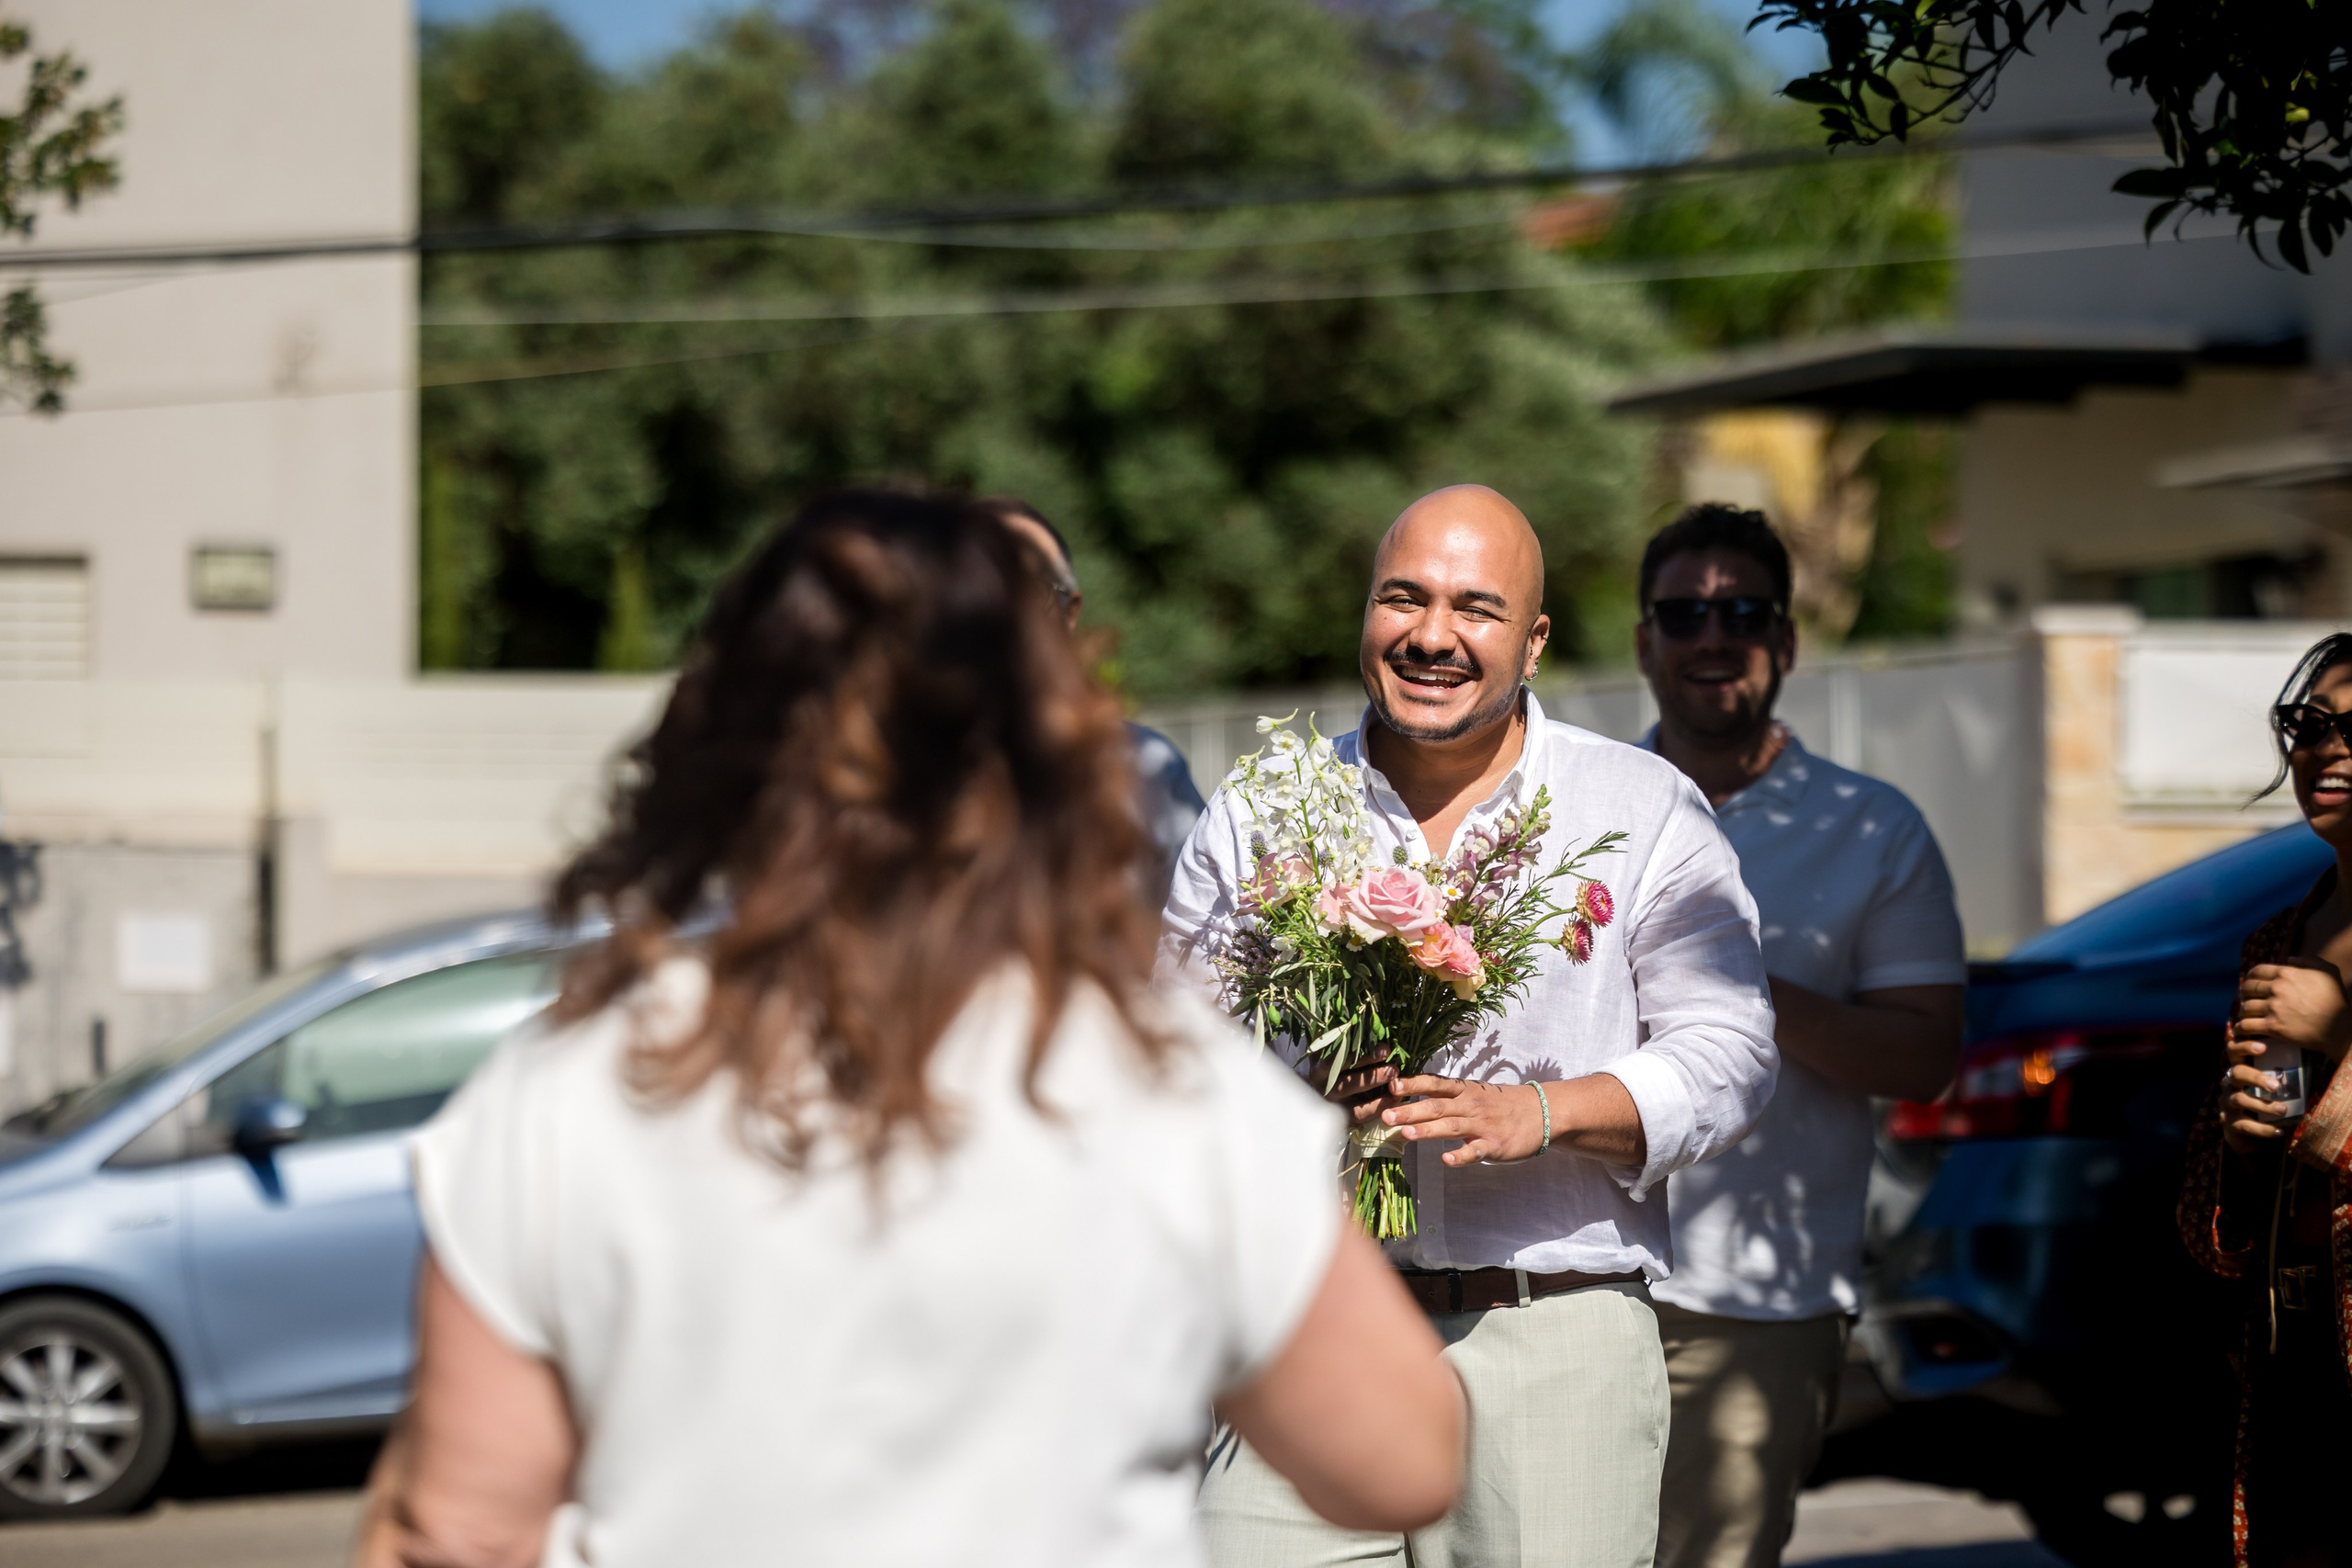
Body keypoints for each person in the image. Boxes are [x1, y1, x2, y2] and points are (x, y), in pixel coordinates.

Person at [354, 490, 1464, 1568]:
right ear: (1051, 752)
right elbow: (1400, 1461)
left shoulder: (575, 1084)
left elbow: (462, 1531)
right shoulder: (1164, 1086)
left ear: (725, 747)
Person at [1163, 483, 1779, 1568]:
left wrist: (1536, 1114)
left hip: (1551, 1341)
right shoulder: (1264, 808)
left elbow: (1730, 1055)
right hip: (1312, 1326)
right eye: (1403, 599)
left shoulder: (1636, 809)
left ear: (1533, 642)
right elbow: (1169, 1062)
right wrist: (1302, 1105)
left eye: (1475, 608)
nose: (1433, 636)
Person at [1630, 504, 1965, 1568]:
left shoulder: (1871, 826)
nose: (1711, 635)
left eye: (1742, 611)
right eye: (1684, 613)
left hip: (1755, 1302)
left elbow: (1922, 1057)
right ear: (1645, 640)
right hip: (1572, 1274)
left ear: (1785, 639)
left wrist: (1737, 995)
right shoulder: (1587, 807)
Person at [2181, 630, 2352, 1568]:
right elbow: (2211, 1226)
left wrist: (2340, 1037)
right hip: (2291, 1348)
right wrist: (2243, 1155)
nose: (2326, 750)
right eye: (2307, 724)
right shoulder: (2276, 941)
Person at [981, 495, 1208, 902]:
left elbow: (1205, 944)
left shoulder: (1148, 769)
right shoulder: (874, 777)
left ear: (1071, 612)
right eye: (978, 588)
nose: (1005, 612)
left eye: (1030, 591)